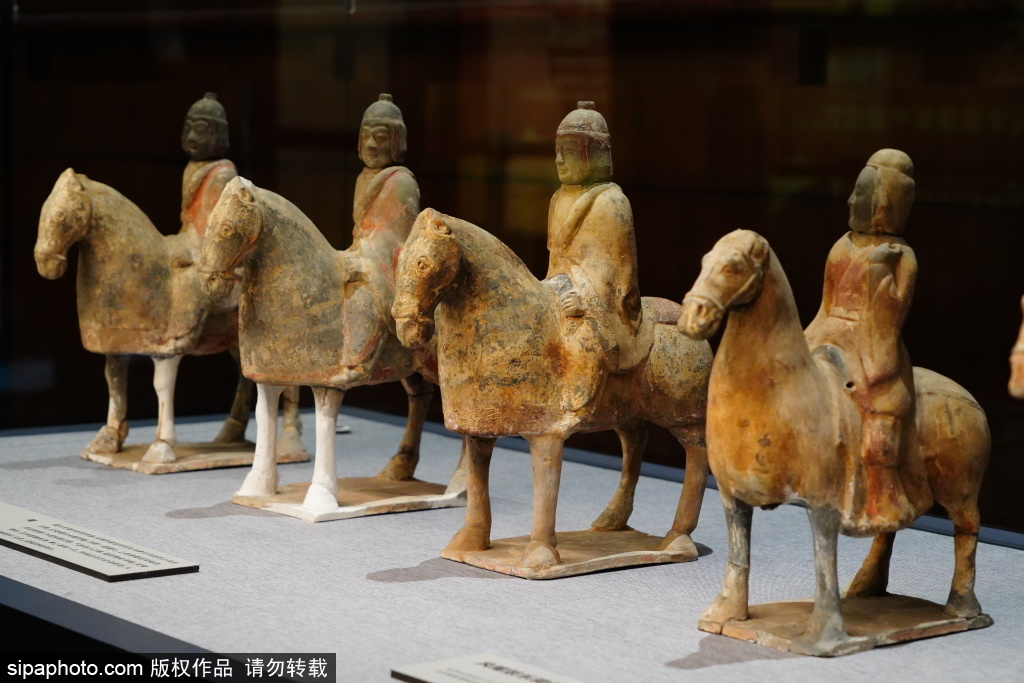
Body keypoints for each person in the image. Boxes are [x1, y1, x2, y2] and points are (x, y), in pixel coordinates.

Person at [805, 148, 919, 532]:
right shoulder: (841, 246)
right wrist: (802, 341)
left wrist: (878, 271)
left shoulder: (902, 257)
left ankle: (876, 490)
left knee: (875, 402)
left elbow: (889, 318)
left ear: (884, 205)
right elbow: (825, 307)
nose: (851, 201)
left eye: (861, 194)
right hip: (829, 331)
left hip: (872, 344)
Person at [543, 101, 643, 412]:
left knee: (583, 342)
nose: (559, 160)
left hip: (598, 300)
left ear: (592, 153)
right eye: (558, 151)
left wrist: (585, 298)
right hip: (560, 288)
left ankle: (575, 408)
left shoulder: (612, 203)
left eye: (569, 151)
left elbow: (616, 269)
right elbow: (556, 259)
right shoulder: (558, 198)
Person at [336, 94, 421, 384]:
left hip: (387, 269)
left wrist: (363, 258)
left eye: (381, 137)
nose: (372, 144)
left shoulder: (402, 182)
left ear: (397, 140)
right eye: (367, 136)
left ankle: (358, 361)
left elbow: (399, 239)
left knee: (363, 303)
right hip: (361, 257)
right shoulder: (363, 177)